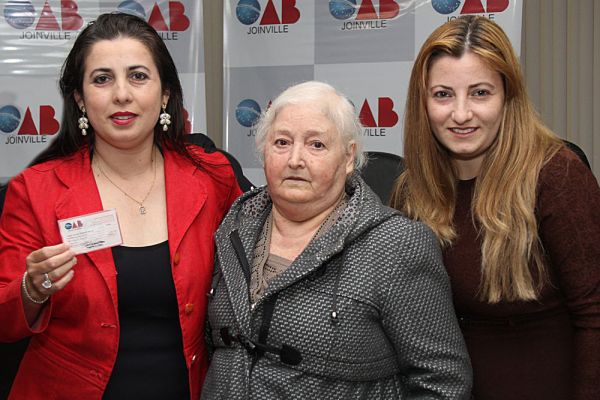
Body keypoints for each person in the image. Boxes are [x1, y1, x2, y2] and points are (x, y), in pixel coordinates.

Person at [0, 13, 241, 399]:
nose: (122, 95)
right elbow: (4, 320)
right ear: (80, 99)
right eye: (102, 79)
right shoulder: (35, 190)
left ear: (165, 93)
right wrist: (32, 288)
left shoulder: (213, 177)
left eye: (138, 76)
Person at [201, 81, 472, 399]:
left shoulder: (397, 244)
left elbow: (443, 382)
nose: (295, 159)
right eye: (282, 142)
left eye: (316, 145)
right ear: (263, 152)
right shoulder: (232, 227)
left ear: (348, 157)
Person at [390, 15, 600, 400]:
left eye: (480, 93)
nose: (461, 114)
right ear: (423, 102)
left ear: (508, 96)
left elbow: (595, 314)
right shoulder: (411, 190)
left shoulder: (556, 176)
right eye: (443, 94)